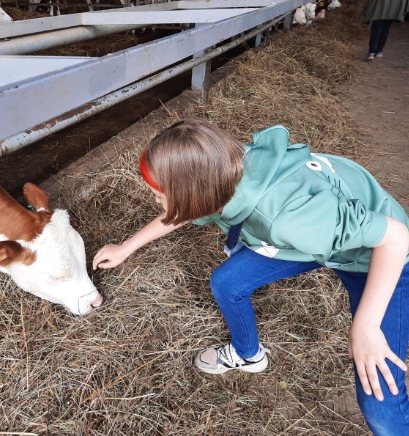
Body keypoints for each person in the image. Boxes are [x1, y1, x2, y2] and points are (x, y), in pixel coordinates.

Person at [92, 119, 409, 435]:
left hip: (379, 255)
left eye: (159, 196)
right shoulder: (221, 169)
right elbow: (182, 208)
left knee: (379, 401)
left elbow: (395, 237)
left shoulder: (287, 220)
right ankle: (248, 355)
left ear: (193, 190)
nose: (157, 202)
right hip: (319, 233)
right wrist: (126, 247)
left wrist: (366, 328)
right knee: (228, 283)